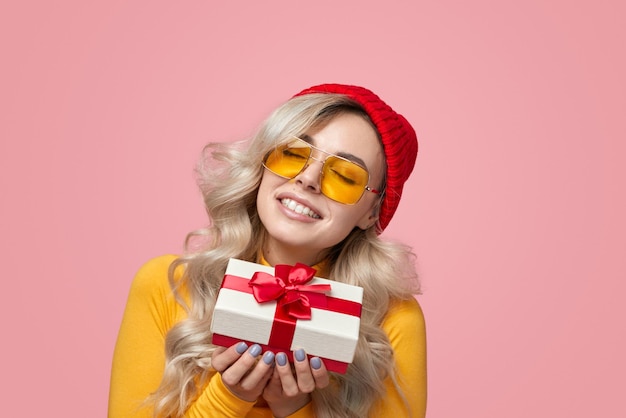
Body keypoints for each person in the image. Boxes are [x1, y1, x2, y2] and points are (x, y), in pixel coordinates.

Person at [108, 83, 426, 418]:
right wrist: (229, 396)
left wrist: (295, 408)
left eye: (345, 175)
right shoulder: (167, 284)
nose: (308, 179)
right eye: (292, 153)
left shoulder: (392, 320)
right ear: (264, 162)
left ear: (371, 212)